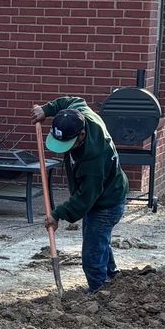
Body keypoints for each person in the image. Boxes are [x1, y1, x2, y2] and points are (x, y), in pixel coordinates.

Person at [33, 96, 129, 294]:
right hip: (104, 194)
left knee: (92, 251)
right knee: (99, 240)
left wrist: (57, 214)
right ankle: (111, 276)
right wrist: (46, 109)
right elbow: (72, 100)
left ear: (82, 135)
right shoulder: (80, 113)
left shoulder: (94, 157)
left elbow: (86, 198)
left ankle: (98, 290)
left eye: (69, 143)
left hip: (107, 202)